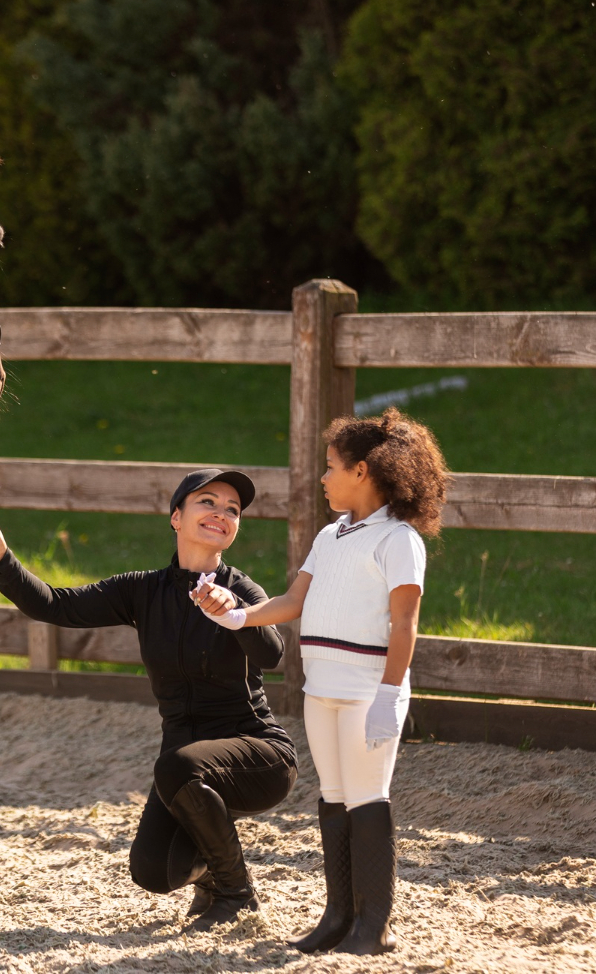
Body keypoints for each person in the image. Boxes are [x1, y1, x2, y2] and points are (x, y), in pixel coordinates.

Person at [0, 469, 297, 929]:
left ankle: (236, 893)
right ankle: (211, 873)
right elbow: (56, 605)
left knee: (176, 765)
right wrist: (1, 559)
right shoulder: (142, 589)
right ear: (176, 517)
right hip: (184, 769)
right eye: (208, 502)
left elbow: (273, 654)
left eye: (233, 510)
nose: (221, 513)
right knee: (153, 871)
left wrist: (237, 615)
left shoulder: (241, 590)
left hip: (259, 757)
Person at [193, 408, 452, 955]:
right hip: (321, 689)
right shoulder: (331, 535)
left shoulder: (399, 540)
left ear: (362, 472)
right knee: (333, 800)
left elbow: (405, 624)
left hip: (367, 692)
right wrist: (234, 615)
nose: (323, 477)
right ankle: (338, 916)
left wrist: (388, 694)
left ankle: (374, 923)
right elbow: (291, 601)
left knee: (367, 799)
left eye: (331, 467)